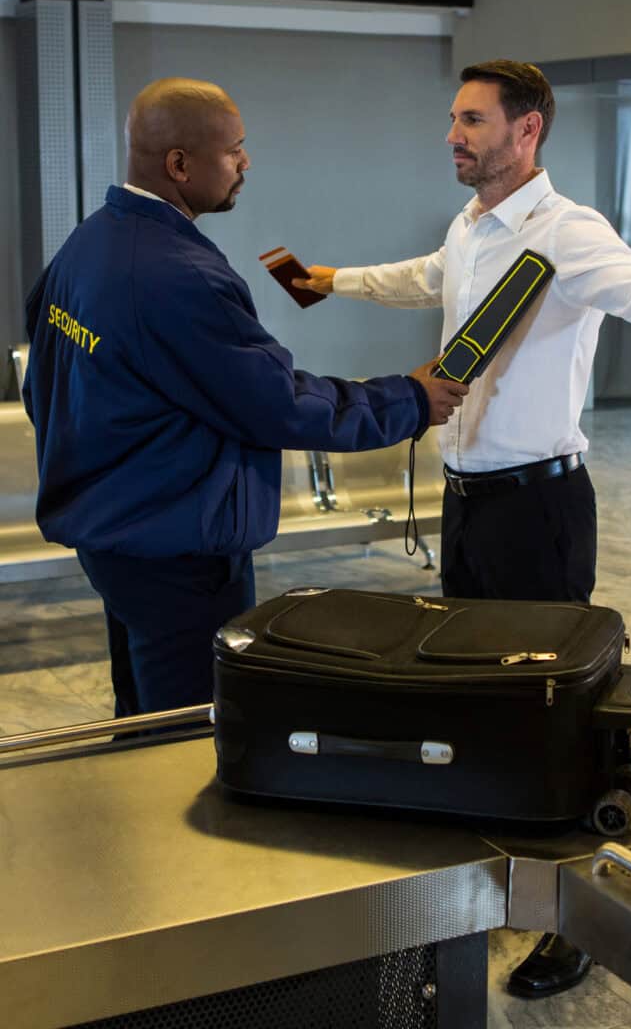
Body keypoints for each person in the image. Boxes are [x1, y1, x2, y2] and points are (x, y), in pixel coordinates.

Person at [293, 59, 631, 999]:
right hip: (470, 499)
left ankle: (571, 909)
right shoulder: (470, 228)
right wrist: (328, 279)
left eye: (471, 121)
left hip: (538, 506)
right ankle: (485, 865)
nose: (453, 137)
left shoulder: (568, 233)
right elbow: (424, 277)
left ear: (528, 130)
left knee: (551, 706)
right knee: (474, 688)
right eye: (454, 121)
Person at [22, 78, 468, 720]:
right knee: (188, 732)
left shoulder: (89, 244)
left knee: (142, 714)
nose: (246, 163)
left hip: (115, 536)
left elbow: (48, 384)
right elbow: (277, 403)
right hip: (178, 548)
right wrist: (410, 400)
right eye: (234, 150)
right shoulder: (178, 275)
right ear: (179, 164)